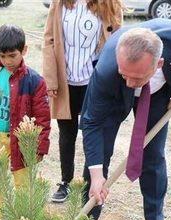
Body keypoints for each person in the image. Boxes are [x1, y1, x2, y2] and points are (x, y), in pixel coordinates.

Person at [80, 19, 171, 220]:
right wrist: (97, 175)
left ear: (158, 64)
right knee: (99, 155)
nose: (130, 82)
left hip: (158, 94)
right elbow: (91, 123)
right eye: (125, 75)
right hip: (113, 94)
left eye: (136, 78)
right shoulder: (108, 71)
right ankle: (87, 219)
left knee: (153, 156)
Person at [0, 25, 51, 220]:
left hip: (21, 142)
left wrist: (39, 146)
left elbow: (42, 117)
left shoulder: (34, 81)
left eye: (12, 56)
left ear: (24, 50)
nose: (8, 61)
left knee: (22, 184)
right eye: (3, 56)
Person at [42, 0, 122, 203]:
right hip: (65, 80)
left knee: (92, 133)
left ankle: (90, 185)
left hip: (94, 81)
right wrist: (51, 78)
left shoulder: (109, 3)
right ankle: (66, 182)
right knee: (67, 134)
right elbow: (49, 39)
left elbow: (119, 40)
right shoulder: (60, 3)